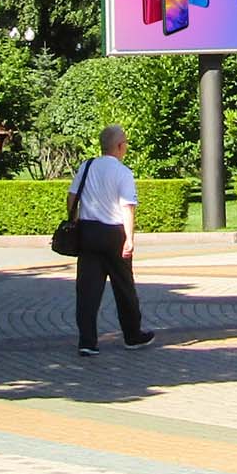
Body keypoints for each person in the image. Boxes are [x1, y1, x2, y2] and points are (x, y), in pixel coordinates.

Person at [71, 124, 155, 358]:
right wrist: (129, 238)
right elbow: (127, 207)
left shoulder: (87, 166)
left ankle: (87, 341)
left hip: (88, 232)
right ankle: (132, 335)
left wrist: (75, 220)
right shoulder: (123, 172)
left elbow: (72, 196)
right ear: (119, 146)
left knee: (87, 290)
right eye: (125, 143)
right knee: (124, 286)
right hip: (113, 234)